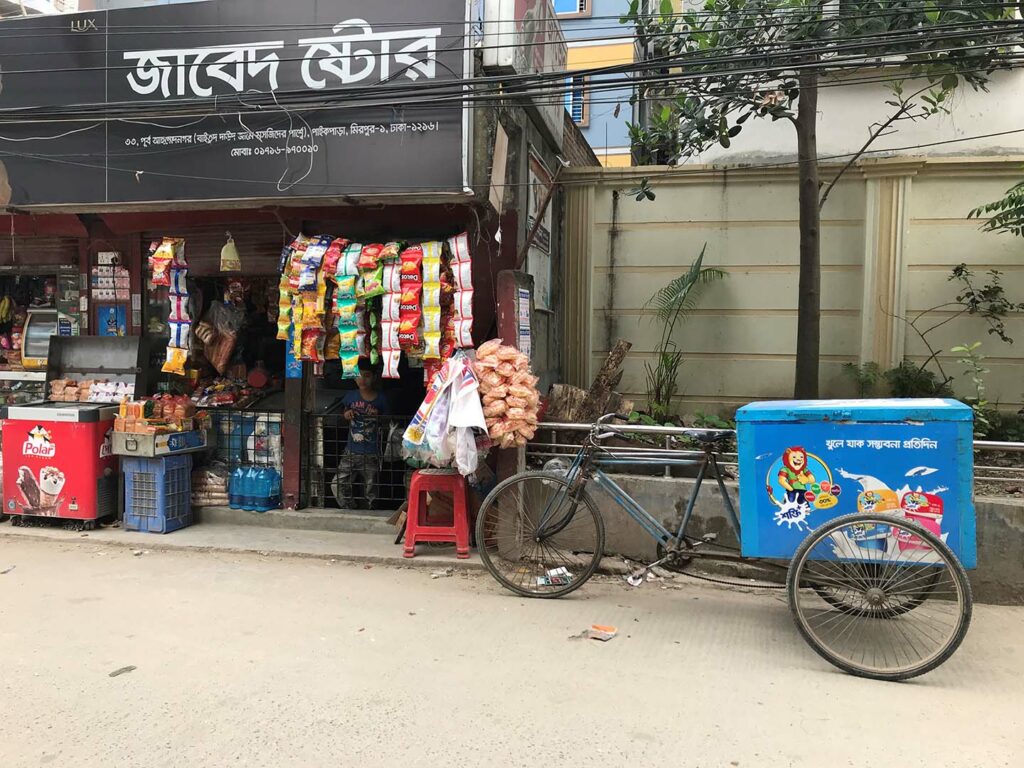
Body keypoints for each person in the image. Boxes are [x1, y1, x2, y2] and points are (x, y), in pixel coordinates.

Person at [333, 366, 390, 510]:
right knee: (337, 484)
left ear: (374, 377)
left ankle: (371, 511)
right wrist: (346, 414)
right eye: (358, 375)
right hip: (351, 450)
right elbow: (343, 412)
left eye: (366, 376)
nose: (362, 380)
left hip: (372, 452)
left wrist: (378, 416)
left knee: (371, 489)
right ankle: (349, 507)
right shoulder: (351, 396)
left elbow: (389, 422)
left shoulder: (381, 398)